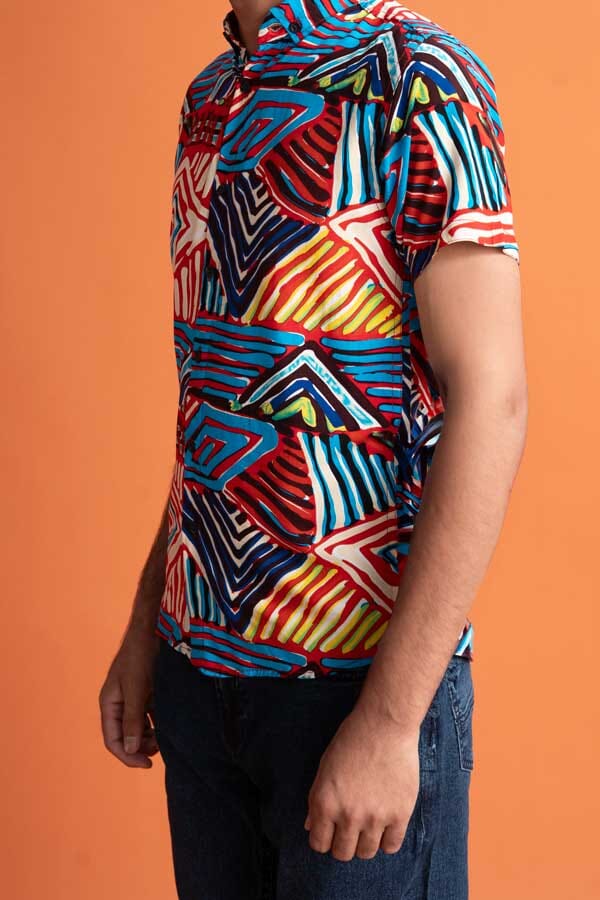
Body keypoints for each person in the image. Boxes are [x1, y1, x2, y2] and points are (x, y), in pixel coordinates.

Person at [99, 1, 527, 897]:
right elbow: (219, 400)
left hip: (353, 690)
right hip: (197, 682)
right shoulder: (212, 98)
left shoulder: (418, 76)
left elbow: (493, 401)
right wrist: (148, 624)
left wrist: (391, 721)